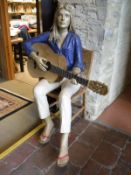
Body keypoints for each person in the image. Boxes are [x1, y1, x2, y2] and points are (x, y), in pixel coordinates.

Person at [23, 3, 84, 167]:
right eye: (60, 15)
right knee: (37, 90)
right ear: (56, 18)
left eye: (66, 15)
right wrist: (36, 57)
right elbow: (27, 44)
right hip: (54, 76)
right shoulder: (50, 36)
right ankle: (48, 123)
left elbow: (79, 63)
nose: (63, 18)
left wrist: (76, 74)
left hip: (70, 77)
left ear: (70, 20)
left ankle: (64, 142)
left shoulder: (74, 38)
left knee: (64, 96)